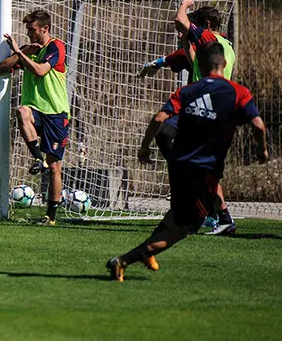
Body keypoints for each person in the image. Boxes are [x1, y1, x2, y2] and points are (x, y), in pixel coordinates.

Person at [107, 42, 268, 282]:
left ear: (199, 66)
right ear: (224, 64)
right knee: (184, 228)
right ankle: (126, 259)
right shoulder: (238, 92)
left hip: (178, 164)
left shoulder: (187, 91)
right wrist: (261, 150)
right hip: (205, 171)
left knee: (177, 214)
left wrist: (144, 147)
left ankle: (148, 252)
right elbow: (258, 125)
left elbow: (159, 118)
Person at [139, 0, 238, 235]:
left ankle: (220, 215)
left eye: (194, 27)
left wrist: (185, 4)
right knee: (164, 133)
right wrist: (158, 63)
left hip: (205, 109)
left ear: (205, 24)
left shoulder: (211, 40)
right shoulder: (219, 47)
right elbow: (184, 56)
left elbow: (180, 21)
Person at [0, 10, 70, 226]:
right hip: (35, 110)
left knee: (55, 167)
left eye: (32, 29)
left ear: (44, 29)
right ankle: (38, 158)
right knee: (21, 111)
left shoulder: (56, 47)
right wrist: (23, 52)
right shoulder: (30, 50)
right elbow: (1, 69)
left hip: (56, 114)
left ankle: (51, 216)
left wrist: (20, 52)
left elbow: (39, 71)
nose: (28, 33)